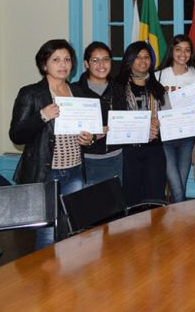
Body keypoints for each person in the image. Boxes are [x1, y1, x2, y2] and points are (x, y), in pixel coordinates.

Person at [9, 39, 92, 248]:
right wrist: (42, 116)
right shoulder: (30, 93)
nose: (63, 64)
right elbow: (16, 135)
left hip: (75, 169)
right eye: (56, 60)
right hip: (47, 173)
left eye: (67, 59)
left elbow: (85, 129)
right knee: (47, 235)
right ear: (44, 65)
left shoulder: (77, 92)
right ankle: (45, 271)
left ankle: (66, 268)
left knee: (71, 229)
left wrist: (88, 138)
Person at [116, 41, 167, 205]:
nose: (143, 61)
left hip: (154, 150)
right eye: (138, 57)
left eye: (146, 57)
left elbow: (168, 116)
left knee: (154, 198)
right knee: (131, 198)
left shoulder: (158, 88)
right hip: (129, 152)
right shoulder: (117, 87)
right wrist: (143, 127)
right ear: (129, 60)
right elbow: (115, 120)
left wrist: (160, 123)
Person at [156, 34, 195, 203]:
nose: (183, 54)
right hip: (165, 137)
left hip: (187, 137)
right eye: (178, 49)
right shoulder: (158, 76)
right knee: (176, 186)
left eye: (187, 50)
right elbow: (152, 105)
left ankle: (176, 217)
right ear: (172, 51)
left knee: (181, 184)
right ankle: (180, 215)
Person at [71, 41, 126, 186]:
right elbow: (68, 129)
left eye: (106, 59)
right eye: (95, 60)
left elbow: (125, 120)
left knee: (114, 199)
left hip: (116, 158)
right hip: (86, 160)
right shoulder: (75, 91)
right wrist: (92, 135)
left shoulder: (119, 89)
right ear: (86, 64)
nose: (101, 65)